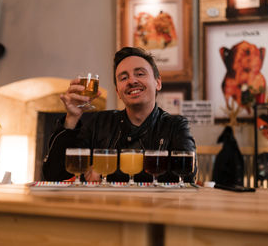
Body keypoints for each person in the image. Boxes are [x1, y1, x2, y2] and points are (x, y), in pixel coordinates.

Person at [43, 47, 196, 183]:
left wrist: (105, 172)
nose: (132, 81)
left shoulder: (175, 125)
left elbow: (186, 175)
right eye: (123, 78)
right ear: (118, 92)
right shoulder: (99, 122)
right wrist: (72, 118)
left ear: (158, 83)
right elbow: (54, 173)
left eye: (140, 74)